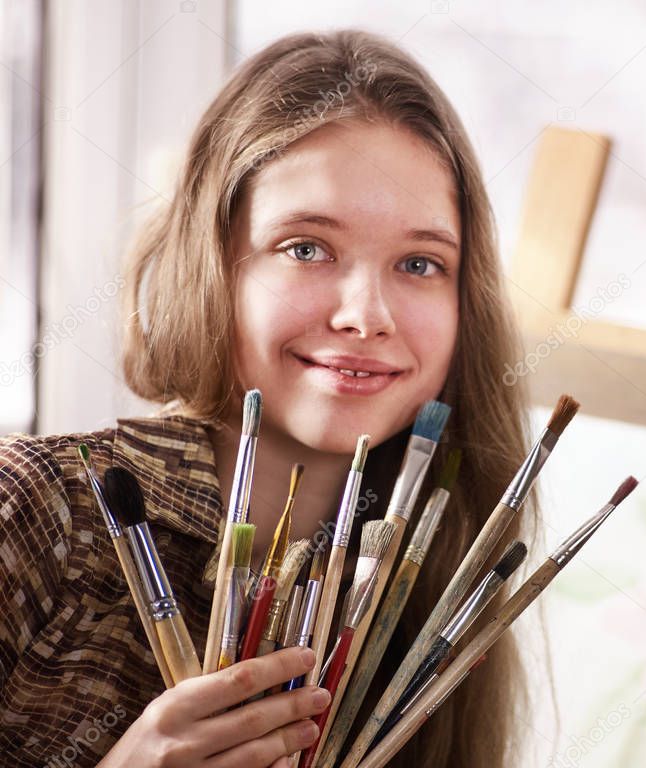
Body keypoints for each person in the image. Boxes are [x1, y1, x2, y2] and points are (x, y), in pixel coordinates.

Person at [0, 29, 533, 768]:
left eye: (420, 263)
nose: (367, 314)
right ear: (213, 264)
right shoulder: (32, 510)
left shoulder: (441, 587)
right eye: (307, 248)